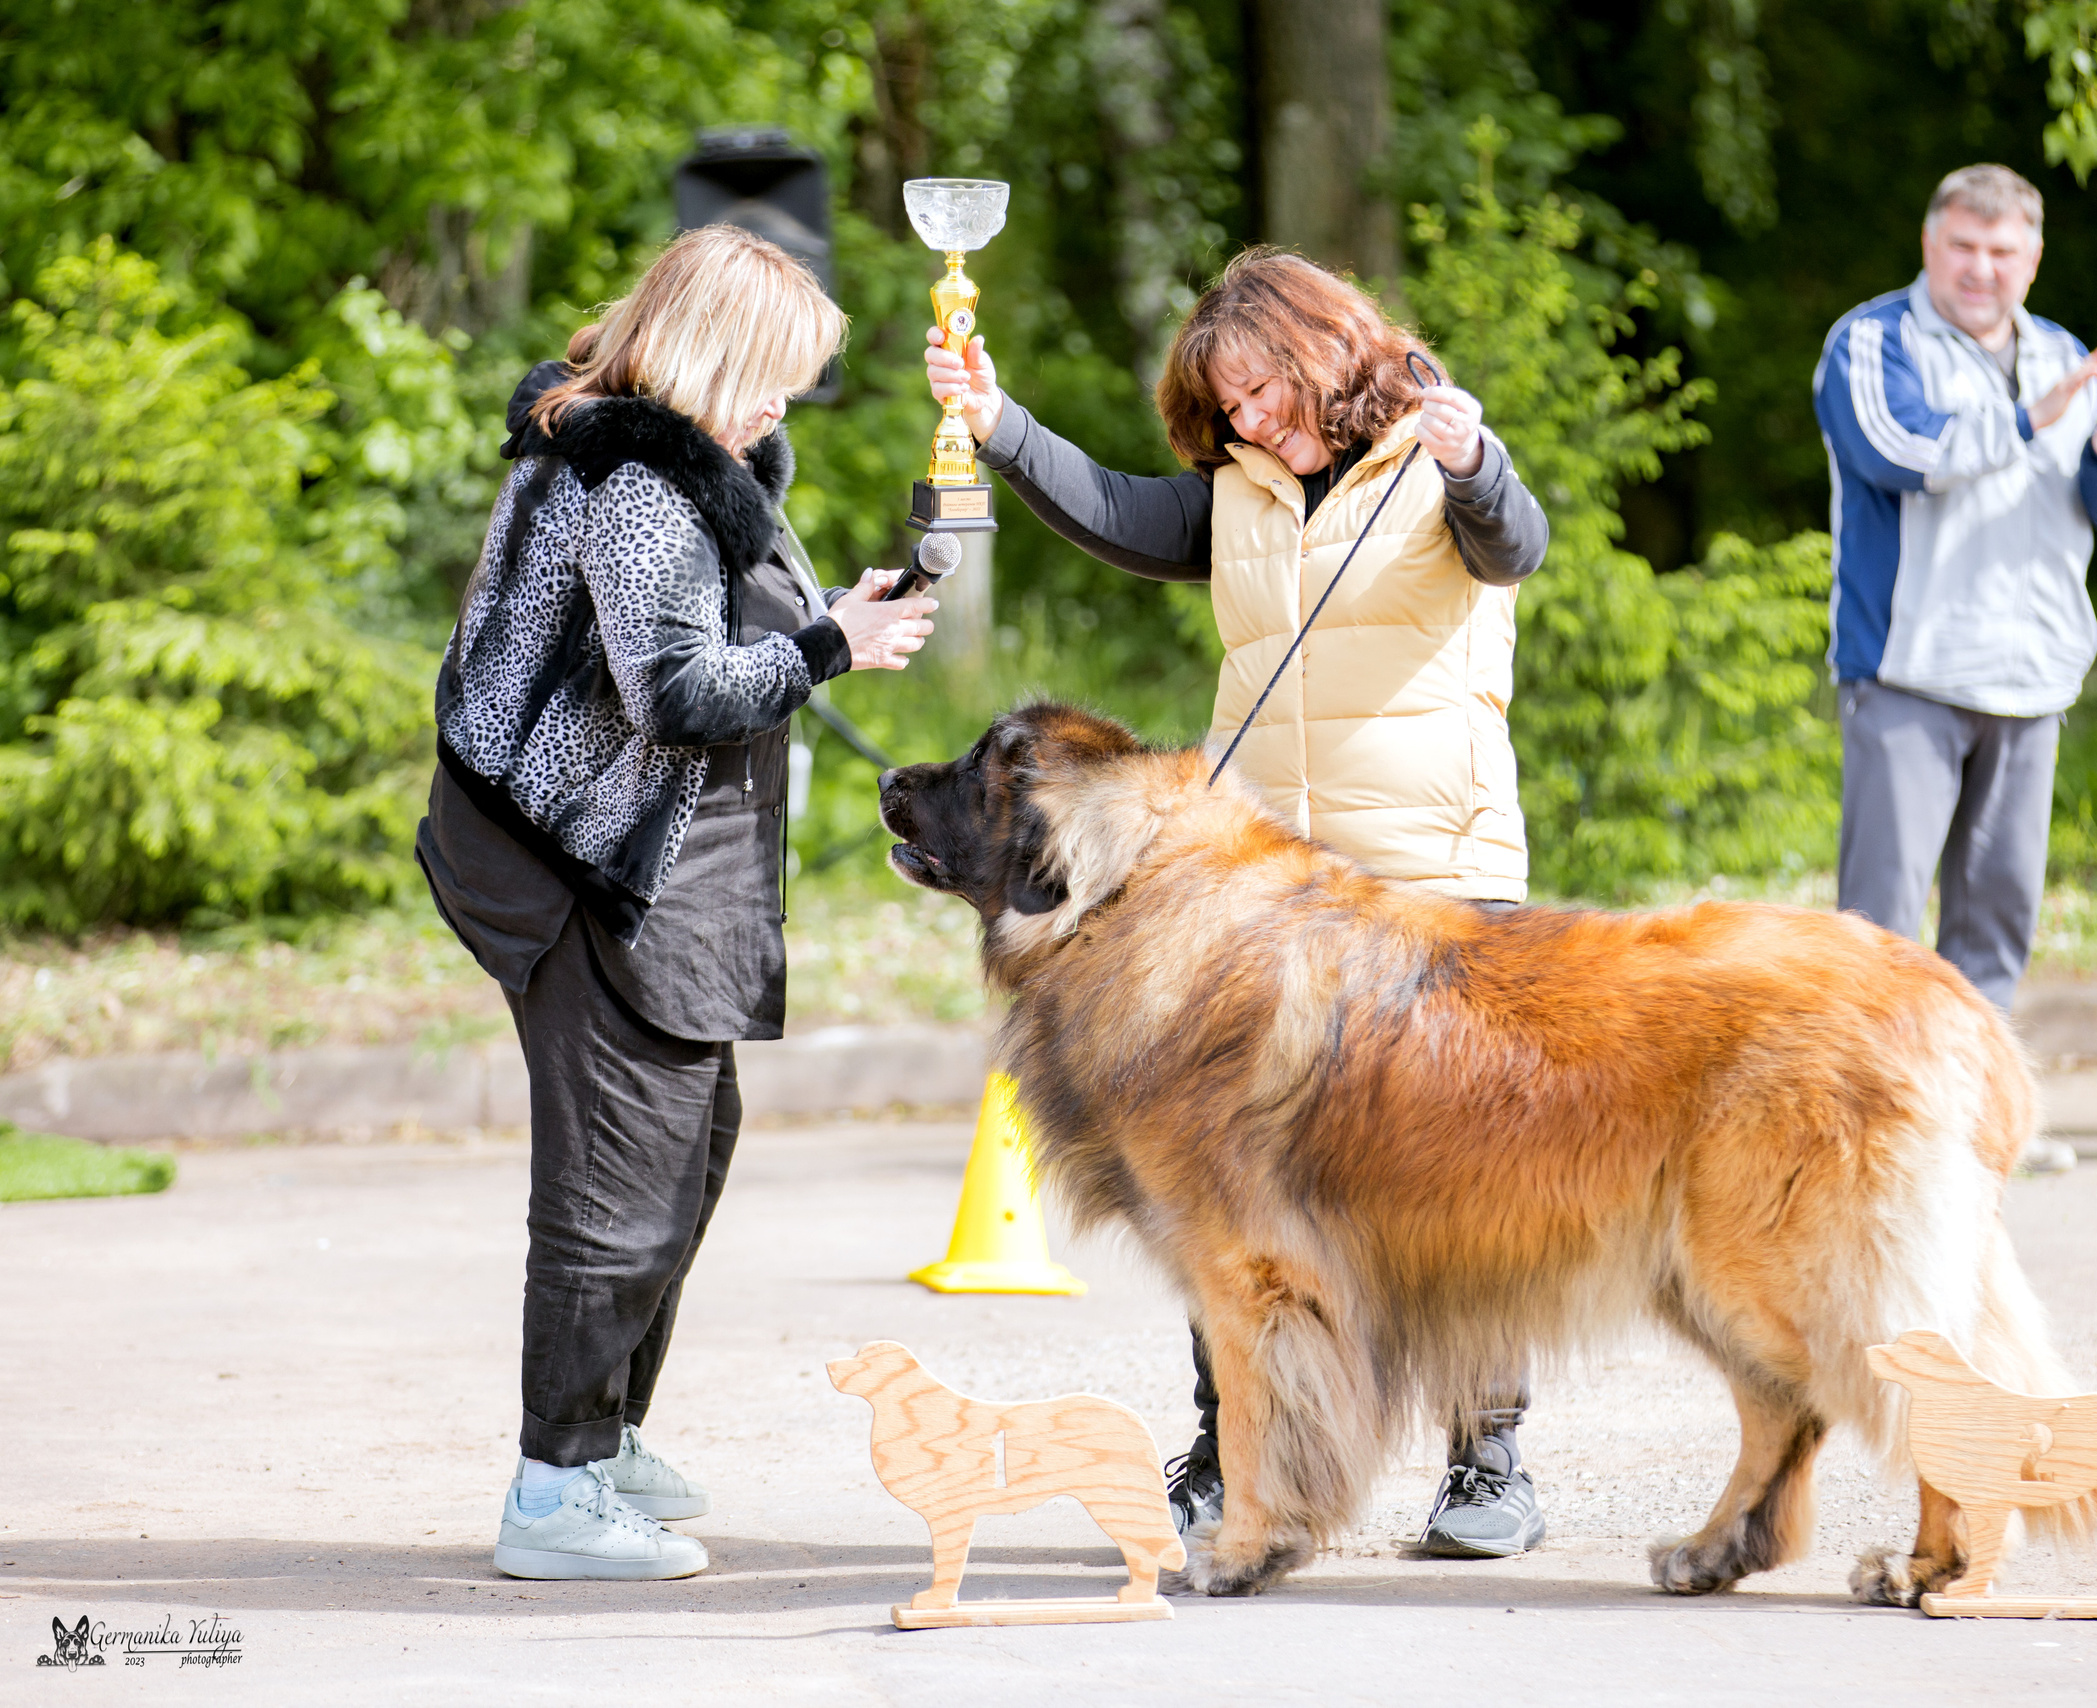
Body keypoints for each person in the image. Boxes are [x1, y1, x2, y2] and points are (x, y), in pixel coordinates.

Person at [922, 246, 1553, 1560]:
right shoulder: (1239, 490)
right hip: (1256, 889)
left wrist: (1477, 461)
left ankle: (1487, 1460)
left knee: (1458, 1172)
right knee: (1226, 1177)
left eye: (1265, 387)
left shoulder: (1434, 453)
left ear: (1327, 345)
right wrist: (995, 424)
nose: (1252, 418)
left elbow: (1512, 543)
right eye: (1229, 403)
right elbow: (1111, 510)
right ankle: (1230, 1449)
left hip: (1434, 869)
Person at [417, 226, 939, 1580]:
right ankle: (554, 1489)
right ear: (708, 351)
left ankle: (606, 1431)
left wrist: (833, 611)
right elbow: (677, 692)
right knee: (617, 1179)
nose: (786, 404)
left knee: (689, 1144)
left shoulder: (679, 459)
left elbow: (700, 632)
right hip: (575, 866)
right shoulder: (639, 481)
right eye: (773, 375)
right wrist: (834, 647)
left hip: (630, 858)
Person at [1812, 162, 2097, 1175]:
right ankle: (1863, 1125)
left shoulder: (2063, 352)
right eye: (1963, 247)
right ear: (1931, 245)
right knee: (1880, 920)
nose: (1981, 269)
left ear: (2032, 257)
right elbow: (1895, 452)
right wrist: (2026, 418)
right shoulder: (1869, 342)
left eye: (2002, 252)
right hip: (1909, 673)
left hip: (2031, 676)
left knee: (1997, 913)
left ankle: (1973, 1127)